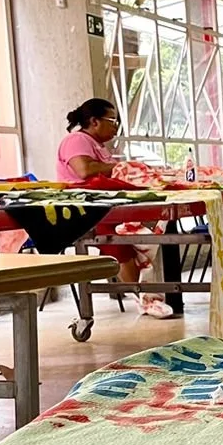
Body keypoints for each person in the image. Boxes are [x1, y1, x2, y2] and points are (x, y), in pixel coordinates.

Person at [56, 98, 172, 316]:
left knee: (143, 232)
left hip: (107, 207)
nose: (116, 127)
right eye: (112, 121)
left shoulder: (97, 146)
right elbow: (84, 170)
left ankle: (146, 291)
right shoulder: (76, 140)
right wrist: (121, 167)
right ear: (94, 121)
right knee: (117, 241)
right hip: (85, 212)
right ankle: (143, 296)